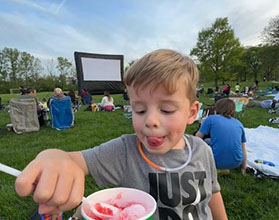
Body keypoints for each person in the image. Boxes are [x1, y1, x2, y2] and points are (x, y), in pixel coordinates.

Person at [15, 49, 228, 220]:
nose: (150, 121)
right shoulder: (126, 151)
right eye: (140, 110)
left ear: (192, 113)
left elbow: (213, 195)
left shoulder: (202, 150)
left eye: (166, 110)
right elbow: (74, 160)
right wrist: (55, 157)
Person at [196, 98, 247, 176]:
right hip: (236, 163)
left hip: (216, 162)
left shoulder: (210, 119)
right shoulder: (239, 123)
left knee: (205, 141)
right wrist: (243, 168)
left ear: (217, 108)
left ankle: (209, 165)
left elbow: (197, 138)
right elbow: (243, 149)